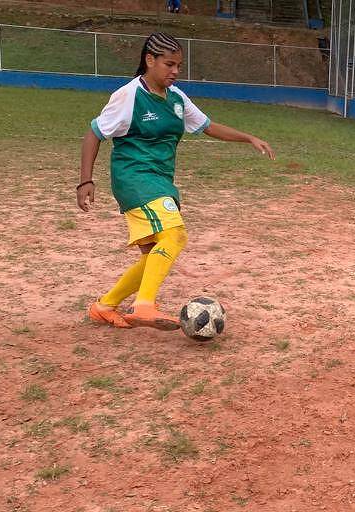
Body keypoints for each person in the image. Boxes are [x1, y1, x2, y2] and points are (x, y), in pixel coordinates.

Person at [77, 32, 275, 331]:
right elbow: (94, 133)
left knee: (152, 256)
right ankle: (144, 306)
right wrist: (85, 181)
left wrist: (248, 138)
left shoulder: (177, 98)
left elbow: (207, 126)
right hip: (135, 178)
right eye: (169, 64)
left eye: (179, 66)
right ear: (149, 60)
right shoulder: (129, 96)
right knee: (175, 235)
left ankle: (104, 306)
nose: (175, 71)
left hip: (160, 180)